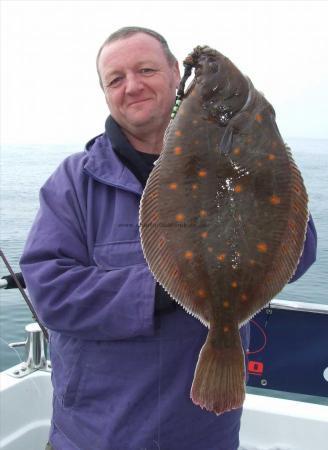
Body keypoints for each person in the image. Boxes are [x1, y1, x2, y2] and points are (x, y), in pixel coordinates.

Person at [20, 27, 317, 450]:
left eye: (145, 69)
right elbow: (49, 291)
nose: (133, 86)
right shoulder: (74, 181)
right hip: (95, 434)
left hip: (201, 435)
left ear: (177, 73)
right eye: (116, 79)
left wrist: (261, 160)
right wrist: (162, 288)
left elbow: (299, 253)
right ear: (105, 92)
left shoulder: (243, 157)